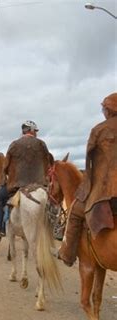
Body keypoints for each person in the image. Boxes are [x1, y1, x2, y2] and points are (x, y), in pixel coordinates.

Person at [59, 92, 117, 266]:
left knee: (75, 212)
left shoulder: (99, 130)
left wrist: (85, 189)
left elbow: (90, 164)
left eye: (103, 109)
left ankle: (67, 254)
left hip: (107, 192)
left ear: (108, 110)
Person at [0, 120, 53, 236]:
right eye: (35, 131)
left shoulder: (14, 144)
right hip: (39, 184)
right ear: (30, 130)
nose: (36, 133)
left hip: (17, 185)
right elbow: (49, 161)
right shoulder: (41, 144)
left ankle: (0, 228)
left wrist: (5, 178)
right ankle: (53, 227)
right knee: (53, 202)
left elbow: (5, 166)